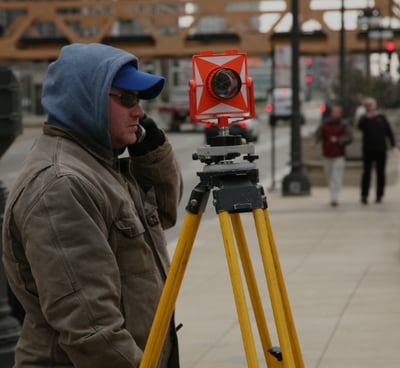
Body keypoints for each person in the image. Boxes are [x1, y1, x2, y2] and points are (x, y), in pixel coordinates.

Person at [2, 43, 183, 368]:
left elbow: (164, 213)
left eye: (140, 100)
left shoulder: (101, 163)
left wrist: (150, 150)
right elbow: (91, 330)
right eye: (127, 98)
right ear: (88, 99)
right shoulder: (61, 185)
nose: (139, 111)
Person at [312, 104, 352, 206]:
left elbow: (349, 138)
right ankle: (333, 193)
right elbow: (318, 134)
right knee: (329, 176)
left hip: (339, 155)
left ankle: (335, 197)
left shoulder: (344, 124)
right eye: (333, 112)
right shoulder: (325, 123)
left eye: (337, 112)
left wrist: (338, 140)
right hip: (327, 154)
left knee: (336, 176)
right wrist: (314, 142)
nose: (335, 114)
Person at [358, 97, 396, 204]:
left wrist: (393, 145)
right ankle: (364, 195)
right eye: (367, 105)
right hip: (368, 150)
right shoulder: (364, 118)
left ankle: (379, 195)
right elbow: (359, 127)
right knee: (366, 173)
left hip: (380, 149)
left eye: (370, 105)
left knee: (380, 173)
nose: (369, 107)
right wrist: (365, 115)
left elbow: (389, 131)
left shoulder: (381, 117)